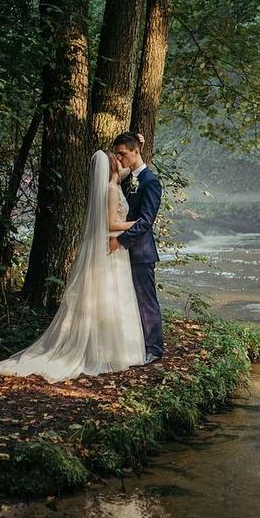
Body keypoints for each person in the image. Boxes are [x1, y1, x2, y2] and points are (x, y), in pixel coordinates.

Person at [0, 150, 145, 382]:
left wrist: (139, 146)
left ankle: (113, 348)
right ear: (110, 167)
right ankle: (105, 350)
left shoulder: (111, 184)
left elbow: (131, 167)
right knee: (108, 296)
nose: (121, 161)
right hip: (111, 244)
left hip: (111, 247)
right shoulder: (110, 190)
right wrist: (137, 223)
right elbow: (110, 222)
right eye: (116, 159)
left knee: (111, 296)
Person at [110, 131, 164, 363]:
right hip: (123, 253)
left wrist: (120, 240)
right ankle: (134, 345)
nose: (120, 159)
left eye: (123, 154)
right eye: (118, 154)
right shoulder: (127, 176)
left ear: (136, 151)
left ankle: (154, 349)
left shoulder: (151, 182)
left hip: (140, 251)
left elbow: (146, 220)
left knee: (146, 301)